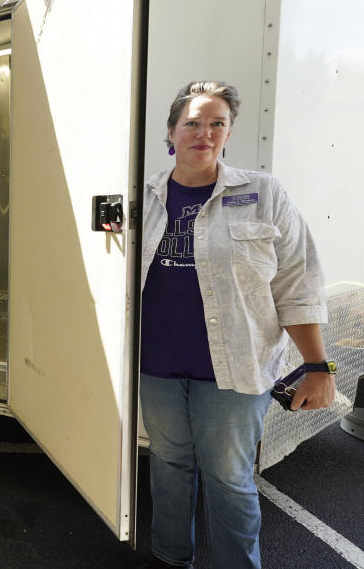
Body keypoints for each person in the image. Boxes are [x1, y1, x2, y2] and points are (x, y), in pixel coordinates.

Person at [139, 81, 336, 569]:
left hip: (236, 372)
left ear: (227, 134)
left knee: (229, 479)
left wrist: (318, 366)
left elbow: (298, 282)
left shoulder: (263, 193)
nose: (203, 133)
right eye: (192, 123)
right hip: (155, 366)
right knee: (168, 465)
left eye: (217, 124)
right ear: (171, 132)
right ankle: (169, 557)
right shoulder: (141, 196)